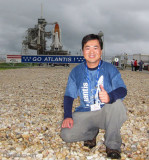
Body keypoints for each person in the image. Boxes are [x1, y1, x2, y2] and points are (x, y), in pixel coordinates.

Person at [60, 34, 127, 159]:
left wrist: (110, 97)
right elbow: (69, 95)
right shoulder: (76, 71)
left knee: (116, 104)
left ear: (101, 51)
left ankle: (112, 145)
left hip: (105, 112)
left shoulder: (110, 69)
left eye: (95, 48)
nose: (91, 52)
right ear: (83, 51)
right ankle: (91, 133)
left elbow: (123, 89)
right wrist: (68, 115)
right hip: (86, 112)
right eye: (87, 48)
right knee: (66, 135)